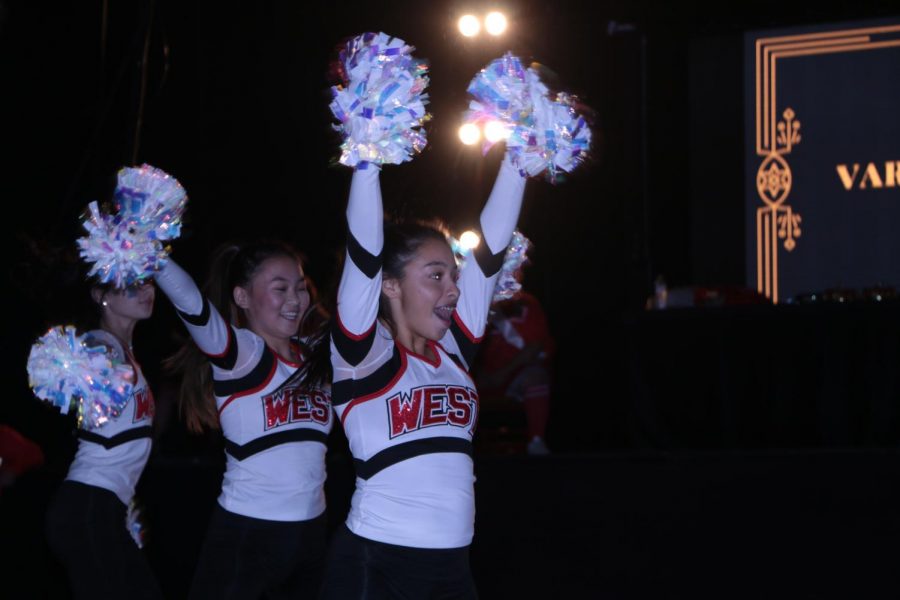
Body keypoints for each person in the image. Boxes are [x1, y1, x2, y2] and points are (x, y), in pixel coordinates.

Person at [319, 152, 527, 599]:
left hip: (453, 569)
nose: (453, 289)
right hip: (376, 567)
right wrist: (367, 157)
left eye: (453, 276)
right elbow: (363, 251)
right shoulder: (363, 355)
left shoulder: (452, 350)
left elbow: (491, 250)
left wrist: (519, 157)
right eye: (436, 275)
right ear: (389, 284)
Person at [155, 241, 332, 599]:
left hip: (312, 534)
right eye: (280, 288)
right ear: (242, 297)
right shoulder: (243, 354)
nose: (295, 299)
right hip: (249, 536)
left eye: (299, 287)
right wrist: (149, 252)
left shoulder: (314, 354)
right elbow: (190, 302)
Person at [44, 277, 164, 600]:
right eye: (132, 284)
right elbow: (92, 360)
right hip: (87, 507)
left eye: (149, 283)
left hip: (107, 510)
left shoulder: (128, 353)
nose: (147, 291)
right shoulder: (103, 344)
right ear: (101, 296)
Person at [473, 284, 555, 455]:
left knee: (536, 375)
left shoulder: (527, 304)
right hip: (479, 380)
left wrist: (501, 375)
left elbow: (535, 347)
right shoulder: (473, 303)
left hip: (514, 379)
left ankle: (536, 441)